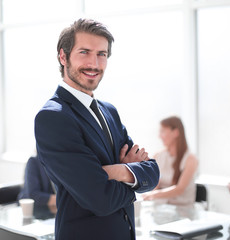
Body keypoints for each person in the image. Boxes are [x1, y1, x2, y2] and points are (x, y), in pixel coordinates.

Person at [34, 18, 160, 240]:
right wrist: (131, 175)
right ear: (63, 56)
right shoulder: (53, 117)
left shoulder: (109, 111)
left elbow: (153, 172)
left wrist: (117, 171)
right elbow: (100, 199)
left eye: (102, 54)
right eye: (85, 52)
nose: (94, 63)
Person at [142, 116, 198, 206]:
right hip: (161, 207)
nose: (159, 136)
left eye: (163, 131)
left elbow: (180, 189)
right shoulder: (158, 156)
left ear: (175, 133)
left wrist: (153, 194)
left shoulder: (190, 159)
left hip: (182, 209)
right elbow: (155, 185)